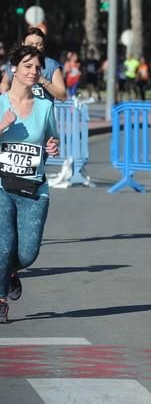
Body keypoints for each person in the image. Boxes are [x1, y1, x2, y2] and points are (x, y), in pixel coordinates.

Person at [0, 45, 60, 323]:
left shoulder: (46, 107)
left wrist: (53, 145)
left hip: (34, 189)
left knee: (27, 253)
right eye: (27, 66)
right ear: (14, 69)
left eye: (37, 67)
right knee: (3, 245)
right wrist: (2, 126)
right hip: (1, 186)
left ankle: (9, 272)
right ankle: (1, 299)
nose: (33, 71)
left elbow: (52, 140)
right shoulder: (0, 104)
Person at [0, 27, 67, 101]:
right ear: (23, 44)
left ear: (43, 46)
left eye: (39, 44)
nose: (34, 47)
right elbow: (5, 83)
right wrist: (6, 100)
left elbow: (62, 96)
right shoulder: (15, 61)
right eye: (30, 44)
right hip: (17, 110)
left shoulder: (51, 65)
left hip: (43, 111)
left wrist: (43, 81)